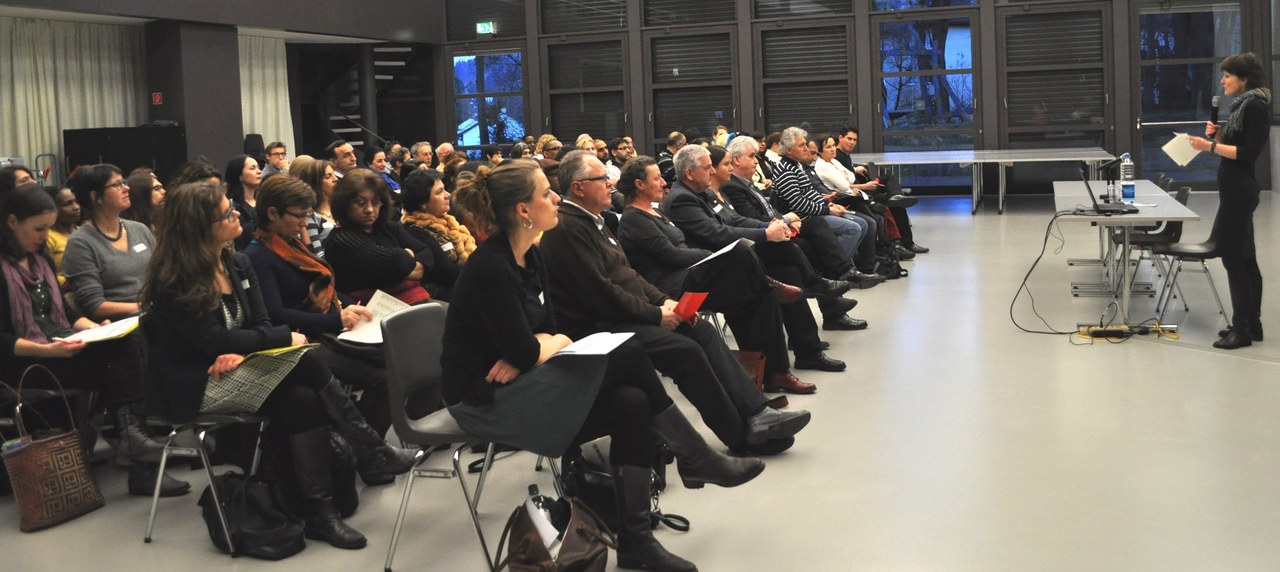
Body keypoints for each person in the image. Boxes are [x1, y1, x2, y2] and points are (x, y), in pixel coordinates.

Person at [445, 159, 762, 571]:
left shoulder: (531, 257)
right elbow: (526, 351)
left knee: (631, 402)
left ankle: (636, 542)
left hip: (526, 380)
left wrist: (541, 344)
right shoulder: (490, 268)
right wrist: (536, 346)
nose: (555, 197)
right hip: (485, 400)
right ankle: (694, 455)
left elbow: (552, 333)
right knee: (628, 352)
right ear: (523, 210)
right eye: (545, 193)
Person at [139, 181, 417, 550]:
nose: (237, 213)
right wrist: (273, 340)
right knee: (309, 356)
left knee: (301, 398)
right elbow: (213, 342)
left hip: (240, 367)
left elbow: (261, 323)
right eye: (226, 213)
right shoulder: (173, 281)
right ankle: (370, 448)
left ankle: (321, 512)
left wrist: (248, 349)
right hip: (197, 384)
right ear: (199, 226)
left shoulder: (235, 262)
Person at [540, 150, 813, 454]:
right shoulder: (567, 229)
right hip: (602, 328)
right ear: (578, 187)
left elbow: (630, 275)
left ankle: (757, 413)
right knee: (685, 350)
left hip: (629, 312)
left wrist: (666, 302)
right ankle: (739, 436)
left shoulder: (595, 222)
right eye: (601, 179)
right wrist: (656, 314)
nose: (609, 183)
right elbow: (602, 293)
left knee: (704, 332)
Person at [2, 184, 188, 497]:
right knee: (124, 359)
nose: (45, 237)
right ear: (11, 222)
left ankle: (135, 440)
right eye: (38, 229)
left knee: (126, 339)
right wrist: (48, 349)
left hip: (60, 343)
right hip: (23, 357)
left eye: (48, 228)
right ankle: (139, 446)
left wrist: (94, 326)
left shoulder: (40, 261)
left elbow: (65, 310)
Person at [244, 175, 414, 484]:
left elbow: (325, 290)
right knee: (382, 376)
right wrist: (337, 319)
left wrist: (350, 306)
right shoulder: (259, 256)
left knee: (391, 368)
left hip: (323, 331)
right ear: (272, 214)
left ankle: (366, 454)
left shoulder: (291, 245)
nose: (305, 222)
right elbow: (276, 314)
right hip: (298, 344)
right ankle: (370, 454)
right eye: (299, 215)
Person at [1185, 52, 1272, 349]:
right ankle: (1252, 324)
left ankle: (1242, 329)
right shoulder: (1243, 106)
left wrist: (1209, 146)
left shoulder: (1255, 106)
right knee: (1246, 258)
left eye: (1227, 76)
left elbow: (1249, 153)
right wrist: (1220, 137)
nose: (1222, 81)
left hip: (1240, 192)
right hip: (1235, 189)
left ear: (1244, 79)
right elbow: (1237, 146)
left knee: (1233, 258)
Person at [323, 170, 455, 303]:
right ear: (344, 205)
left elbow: (426, 254)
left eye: (375, 203)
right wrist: (407, 254)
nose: (369, 210)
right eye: (360, 203)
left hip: (416, 297)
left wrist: (396, 269)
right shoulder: (340, 239)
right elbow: (397, 262)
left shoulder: (389, 227)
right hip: (375, 310)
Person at [63, 164, 155, 322]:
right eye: (117, 185)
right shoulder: (80, 244)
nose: (126, 188)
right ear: (95, 196)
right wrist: (145, 306)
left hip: (154, 314)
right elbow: (95, 306)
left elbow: (162, 275)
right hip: (122, 325)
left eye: (124, 182)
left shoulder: (140, 229)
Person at [400, 169, 473, 300]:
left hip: (462, 283)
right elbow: (445, 272)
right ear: (422, 203)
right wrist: (482, 269)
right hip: (443, 294)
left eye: (445, 189)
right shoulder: (415, 230)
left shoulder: (447, 220)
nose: (448, 195)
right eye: (439, 192)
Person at [290, 156, 338, 257]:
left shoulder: (339, 207)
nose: (335, 179)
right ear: (316, 183)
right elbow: (317, 255)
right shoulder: (310, 215)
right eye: (328, 176)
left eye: (334, 174)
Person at [225, 155, 264, 250]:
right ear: (240, 176)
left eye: (258, 167)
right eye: (252, 168)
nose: (259, 172)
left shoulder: (263, 201)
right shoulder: (232, 206)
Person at [44, 185, 79, 287]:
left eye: (76, 202)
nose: (76, 207)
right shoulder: (48, 237)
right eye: (68, 204)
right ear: (53, 209)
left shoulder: (83, 231)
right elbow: (47, 276)